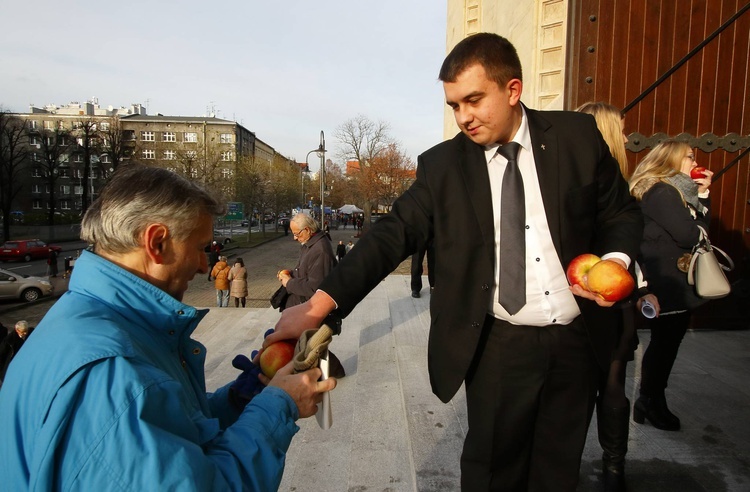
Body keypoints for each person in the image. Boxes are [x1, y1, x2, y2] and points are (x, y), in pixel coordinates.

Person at [268, 33, 643, 491]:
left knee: (558, 470)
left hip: (577, 340)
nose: (463, 117)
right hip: (499, 344)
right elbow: (389, 237)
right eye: (453, 106)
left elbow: (620, 212)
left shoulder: (575, 138)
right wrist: (318, 304)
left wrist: (616, 261)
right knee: (491, 472)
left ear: (512, 90)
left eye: (473, 100)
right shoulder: (442, 167)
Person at [0, 165, 335, 490]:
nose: (205, 265)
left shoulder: (86, 321)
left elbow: (171, 436)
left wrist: (239, 399)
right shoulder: (111, 374)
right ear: (157, 242)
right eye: (200, 248)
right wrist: (278, 407)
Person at [577, 101, 655, 491]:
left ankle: (566, 465)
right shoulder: (618, 187)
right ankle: (613, 469)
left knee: (577, 387)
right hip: (610, 297)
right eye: (620, 129)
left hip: (582, 293)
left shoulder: (574, 182)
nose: (626, 137)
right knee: (612, 385)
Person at [629, 139, 712, 432]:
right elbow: (690, 236)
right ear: (672, 159)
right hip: (666, 282)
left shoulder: (669, 190)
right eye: (688, 156)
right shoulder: (663, 191)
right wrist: (703, 199)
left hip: (668, 279)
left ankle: (652, 399)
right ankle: (649, 401)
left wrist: (698, 193)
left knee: (666, 343)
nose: (693, 161)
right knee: (665, 344)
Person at [277, 213, 345, 378]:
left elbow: (315, 287)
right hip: (303, 304)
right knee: (311, 344)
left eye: (296, 233)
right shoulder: (309, 244)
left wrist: (289, 283)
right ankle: (330, 372)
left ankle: (331, 372)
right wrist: (290, 273)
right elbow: (304, 271)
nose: (294, 237)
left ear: (307, 230)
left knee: (310, 344)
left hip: (310, 307)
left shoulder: (320, 250)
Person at [0, 320, 33, 386]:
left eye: (26, 331)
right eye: (22, 332)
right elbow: (1, 355)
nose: (25, 333)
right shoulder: (8, 342)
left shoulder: (31, 333)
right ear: (17, 330)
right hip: (12, 368)